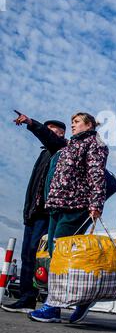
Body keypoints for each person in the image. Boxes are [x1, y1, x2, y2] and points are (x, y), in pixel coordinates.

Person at [28, 112, 108, 324]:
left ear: (89, 124)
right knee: (56, 257)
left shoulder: (94, 143)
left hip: (76, 206)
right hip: (57, 207)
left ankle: (54, 307)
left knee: (61, 258)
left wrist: (96, 204)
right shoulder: (70, 145)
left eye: (77, 122)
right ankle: (81, 299)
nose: (73, 125)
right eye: (72, 122)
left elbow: (96, 174)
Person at [2, 115, 66, 313]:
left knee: (37, 253)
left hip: (45, 212)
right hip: (33, 212)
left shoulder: (60, 147)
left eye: (52, 129)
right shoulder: (45, 153)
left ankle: (41, 298)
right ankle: (26, 298)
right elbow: (34, 186)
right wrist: (26, 211)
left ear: (61, 133)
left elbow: (48, 137)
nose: (48, 132)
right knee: (26, 255)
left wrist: (31, 123)